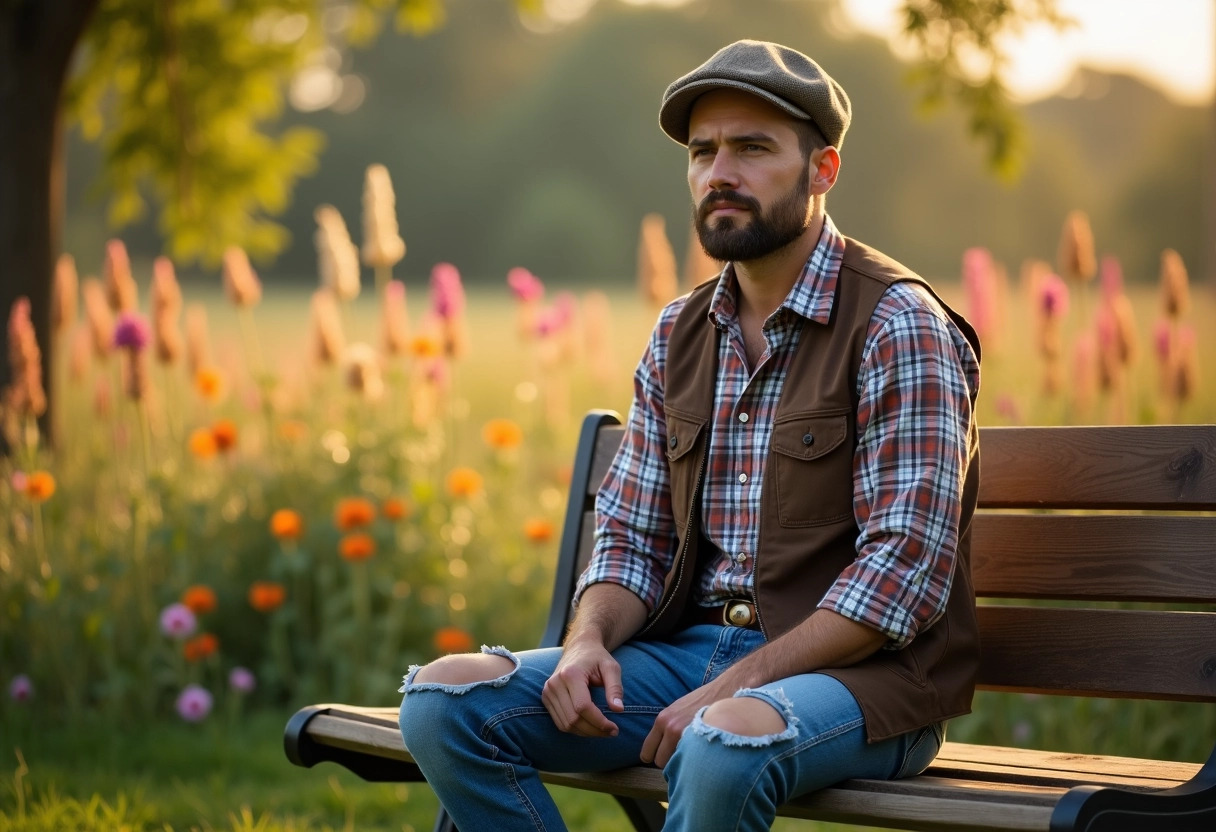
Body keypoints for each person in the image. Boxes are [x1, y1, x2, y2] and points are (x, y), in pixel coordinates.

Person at [398, 39, 982, 832]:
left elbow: (901, 576)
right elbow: (632, 538)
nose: (719, 173)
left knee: (718, 741)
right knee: (443, 704)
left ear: (823, 170)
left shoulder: (896, 322)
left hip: (864, 683)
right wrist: (584, 644)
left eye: (752, 148)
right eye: (703, 152)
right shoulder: (680, 332)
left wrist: (737, 686)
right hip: (687, 658)